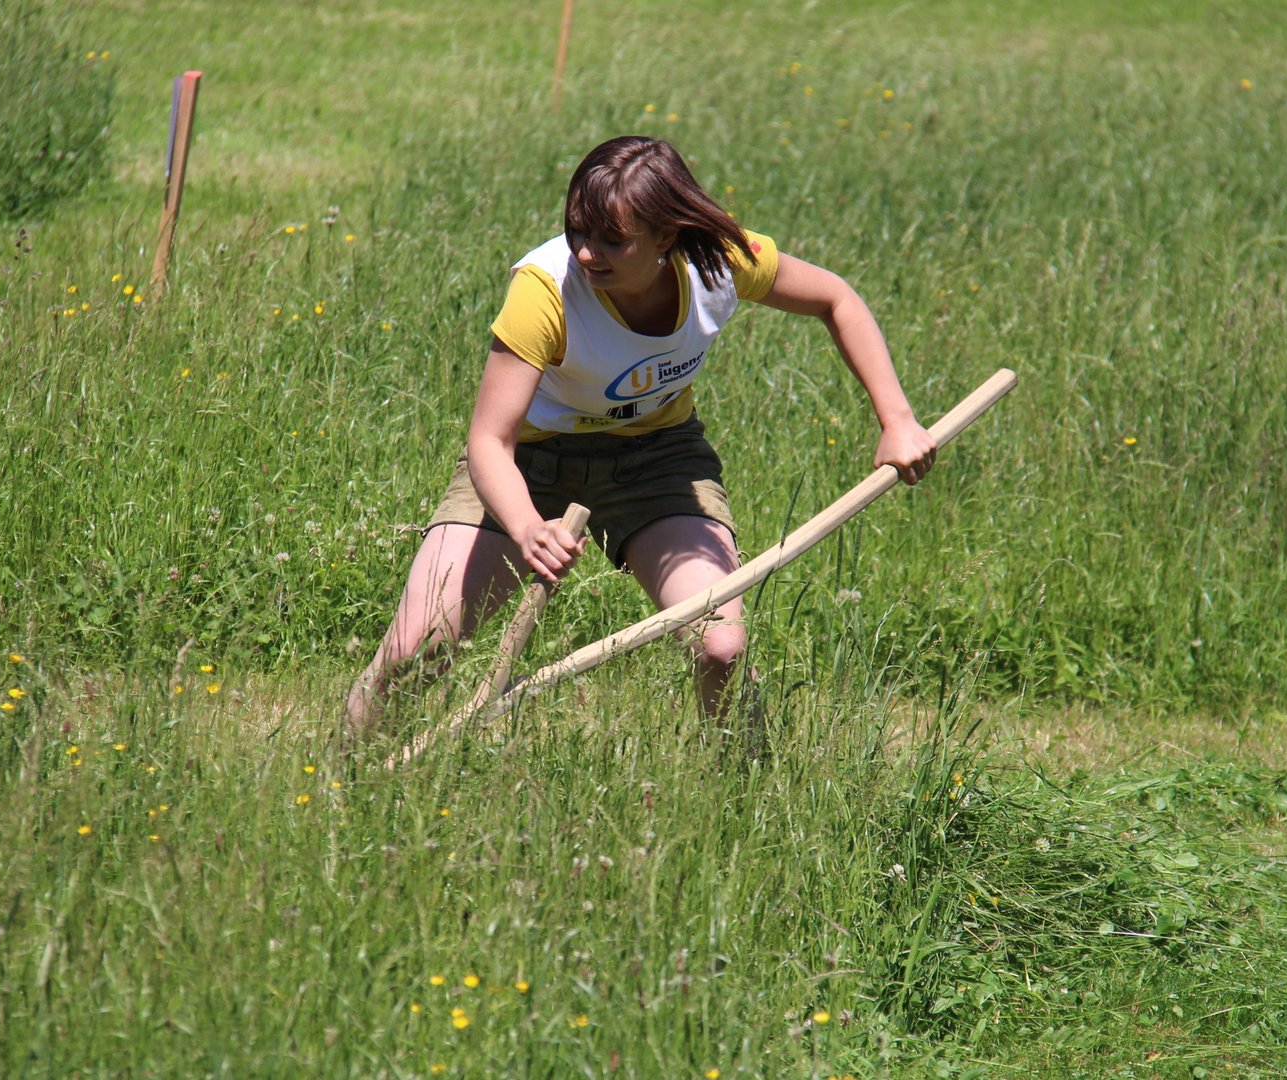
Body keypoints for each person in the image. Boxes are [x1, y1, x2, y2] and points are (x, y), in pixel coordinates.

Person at [345, 135, 936, 731]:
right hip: (528, 464)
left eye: (612, 240)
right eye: (577, 230)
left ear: (666, 236)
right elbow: (489, 441)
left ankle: (734, 777)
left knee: (720, 647)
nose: (586, 253)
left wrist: (897, 421)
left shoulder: (720, 261)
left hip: (656, 462)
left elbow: (836, 299)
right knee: (412, 651)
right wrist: (527, 527)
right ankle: (343, 770)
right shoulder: (545, 290)